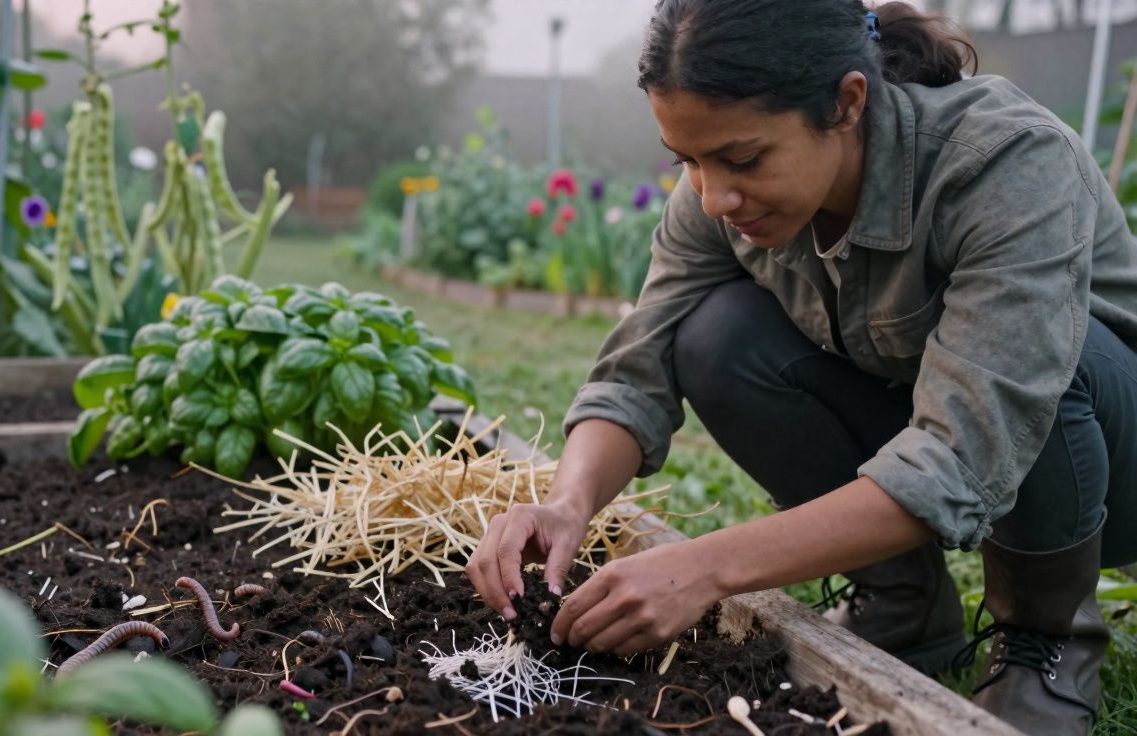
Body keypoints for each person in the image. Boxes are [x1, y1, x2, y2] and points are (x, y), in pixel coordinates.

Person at [463, 2, 1137, 734]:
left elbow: (964, 453)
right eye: (688, 161)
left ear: (847, 103)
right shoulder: (719, 199)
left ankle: (1047, 643)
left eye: (744, 160)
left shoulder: (1004, 162)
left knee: (1059, 357)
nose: (715, 196)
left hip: (1101, 467)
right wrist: (566, 505)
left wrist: (707, 567)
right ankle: (903, 605)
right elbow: (638, 364)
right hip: (938, 428)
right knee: (711, 336)